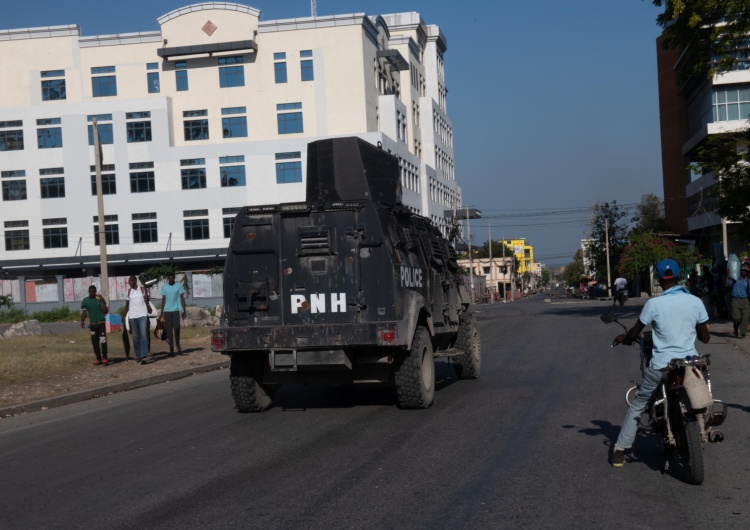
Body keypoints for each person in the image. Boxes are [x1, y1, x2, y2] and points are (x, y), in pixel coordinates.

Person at [610, 259, 710, 468]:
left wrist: (624, 339)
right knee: (703, 389)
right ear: (678, 276)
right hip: (690, 363)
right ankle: (705, 422)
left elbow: (635, 333)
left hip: (662, 365)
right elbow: (705, 338)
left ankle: (620, 451)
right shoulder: (694, 301)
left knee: (638, 404)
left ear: (657, 278)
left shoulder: (654, 304)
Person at [80, 285, 109, 365]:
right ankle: (98, 359)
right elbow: (84, 313)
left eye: (93, 292)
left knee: (103, 340)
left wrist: (101, 301)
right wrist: (82, 321)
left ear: (96, 291)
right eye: (91, 292)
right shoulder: (85, 301)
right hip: (93, 325)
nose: (92, 293)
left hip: (101, 323)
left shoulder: (100, 298)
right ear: (89, 292)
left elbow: (104, 310)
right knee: (95, 342)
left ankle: (105, 358)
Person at [124, 275, 150, 364]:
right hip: (133, 317)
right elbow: (127, 305)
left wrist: (147, 303)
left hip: (142, 315)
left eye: (131, 281)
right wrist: (124, 316)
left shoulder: (142, 289)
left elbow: (147, 300)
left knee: (143, 335)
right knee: (135, 337)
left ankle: (144, 355)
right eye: (129, 282)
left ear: (135, 281)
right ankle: (138, 355)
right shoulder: (129, 291)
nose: (129, 283)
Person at [159, 272, 186, 356]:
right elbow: (163, 299)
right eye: (169, 278)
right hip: (167, 311)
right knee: (169, 330)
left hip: (176, 310)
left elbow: (182, 298)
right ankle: (171, 347)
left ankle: (177, 344)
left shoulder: (178, 286)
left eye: (172, 278)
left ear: (174, 278)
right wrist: (161, 311)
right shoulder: (164, 287)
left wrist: (183, 310)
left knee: (177, 327)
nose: (171, 279)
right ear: (167, 279)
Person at [725, 263, 750, 338]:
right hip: (736, 300)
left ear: (747, 272)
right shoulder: (735, 278)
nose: (744, 272)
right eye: (743, 270)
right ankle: (735, 328)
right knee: (736, 318)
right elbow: (726, 285)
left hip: (745, 300)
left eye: (746, 271)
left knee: (745, 317)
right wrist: (728, 275)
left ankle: (743, 333)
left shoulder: (748, 281)